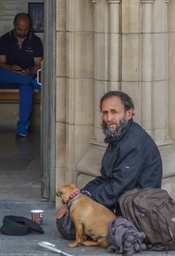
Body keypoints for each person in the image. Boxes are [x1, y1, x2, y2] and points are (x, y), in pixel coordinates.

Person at [56, 90, 163, 238]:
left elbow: (118, 187)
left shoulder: (132, 143)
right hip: (122, 198)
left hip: (136, 208)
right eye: (105, 113)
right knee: (67, 221)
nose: (109, 118)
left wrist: (77, 203)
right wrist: (76, 197)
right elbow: (105, 179)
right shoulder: (119, 137)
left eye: (114, 112)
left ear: (129, 113)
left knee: (68, 226)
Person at [0, 13, 43, 137]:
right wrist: (10, 68)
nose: (22, 32)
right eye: (19, 29)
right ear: (14, 25)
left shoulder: (35, 41)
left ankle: (22, 125)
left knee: (26, 88)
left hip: (27, 76)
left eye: (25, 30)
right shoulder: (4, 39)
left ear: (29, 27)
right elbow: (0, 63)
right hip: (9, 78)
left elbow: (39, 65)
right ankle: (28, 80)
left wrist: (30, 71)